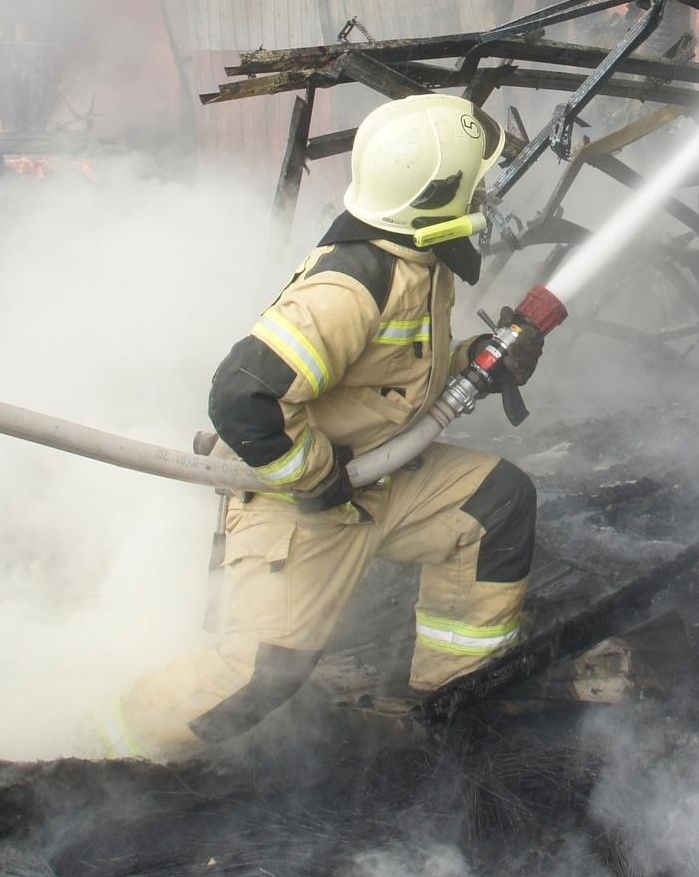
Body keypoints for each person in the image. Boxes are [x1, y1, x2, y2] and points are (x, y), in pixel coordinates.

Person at [108, 93, 546, 759]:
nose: (484, 191)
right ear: (439, 194)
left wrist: (479, 361)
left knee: (497, 503)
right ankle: (109, 745)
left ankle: (452, 707)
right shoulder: (350, 285)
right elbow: (243, 397)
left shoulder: (417, 261)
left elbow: (390, 376)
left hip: (378, 477)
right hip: (302, 505)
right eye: (475, 181)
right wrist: (315, 476)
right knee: (256, 677)